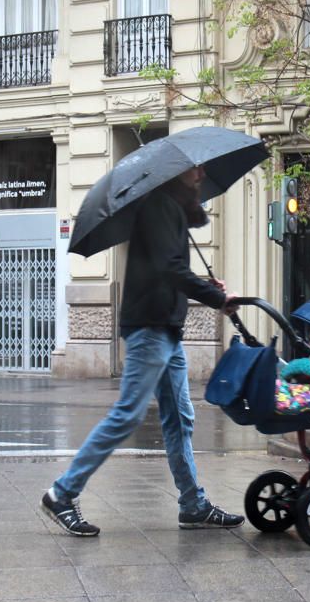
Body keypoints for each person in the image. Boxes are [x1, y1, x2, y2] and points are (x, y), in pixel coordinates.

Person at [41, 166, 245, 536]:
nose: (201, 175)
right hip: (151, 329)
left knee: (180, 418)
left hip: (166, 328)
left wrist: (204, 284)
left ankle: (193, 504)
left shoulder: (171, 209)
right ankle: (62, 492)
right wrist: (215, 296)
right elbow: (168, 268)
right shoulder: (160, 206)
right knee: (127, 415)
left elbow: (168, 267)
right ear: (176, 173)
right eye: (194, 170)